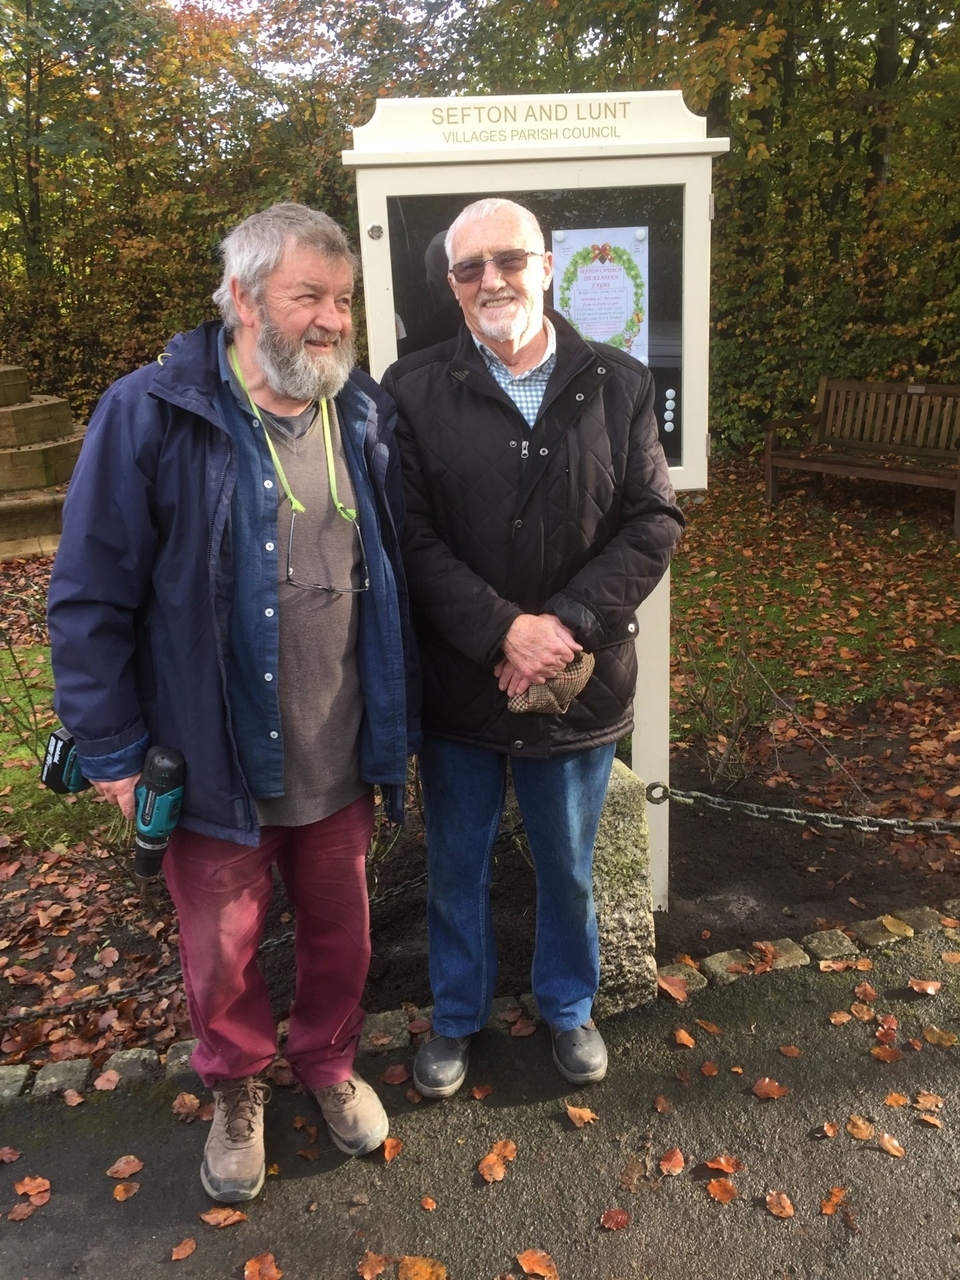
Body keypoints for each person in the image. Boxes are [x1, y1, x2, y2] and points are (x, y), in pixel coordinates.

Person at [47, 203, 419, 1201]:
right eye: (308, 297)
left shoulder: (361, 412)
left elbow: (399, 569)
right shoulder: (151, 413)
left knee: (344, 936)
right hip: (213, 762)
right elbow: (88, 594)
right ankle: (237, 1086)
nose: (333, 319)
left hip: (340, 752)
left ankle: (328, 1062)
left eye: (342, 299)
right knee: (221, 955)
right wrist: (112, 749)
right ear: (244, 300)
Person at [382, 197, 683, 1098]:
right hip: (462, 681)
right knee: (455, 869)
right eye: (469, 268)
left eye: (509, 260)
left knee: (568, 867)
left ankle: (568, 1005)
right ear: (451, 285)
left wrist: (562, 625)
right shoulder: (411, 388)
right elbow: (408, 533)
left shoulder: (619, 382)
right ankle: (456, 1016)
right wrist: (500, 630)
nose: (491, 281)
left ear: (546, 266)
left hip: (576, 680)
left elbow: (654, 521)